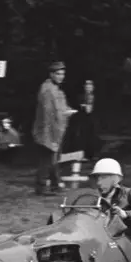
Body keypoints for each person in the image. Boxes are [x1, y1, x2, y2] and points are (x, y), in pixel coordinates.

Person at [32, 61, 77, 195]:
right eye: (58, 74)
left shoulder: (54, 89)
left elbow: (59, 108)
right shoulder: (47, 90)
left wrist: (67, 111)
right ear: (51, 74)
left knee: (53, 159)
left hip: (55, 129)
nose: (61, 76)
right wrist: (50, 133)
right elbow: (48, 113)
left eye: (62, 74)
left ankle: (55, 184)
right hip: (48, 130)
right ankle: (41, 186)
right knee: (47, 159)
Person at [90, 158, 131, 250]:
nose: (99, 183)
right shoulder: (94, 200)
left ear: (116, 180)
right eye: (97, 178)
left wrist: (125, 214)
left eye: (104, 178)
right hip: (103, 244)